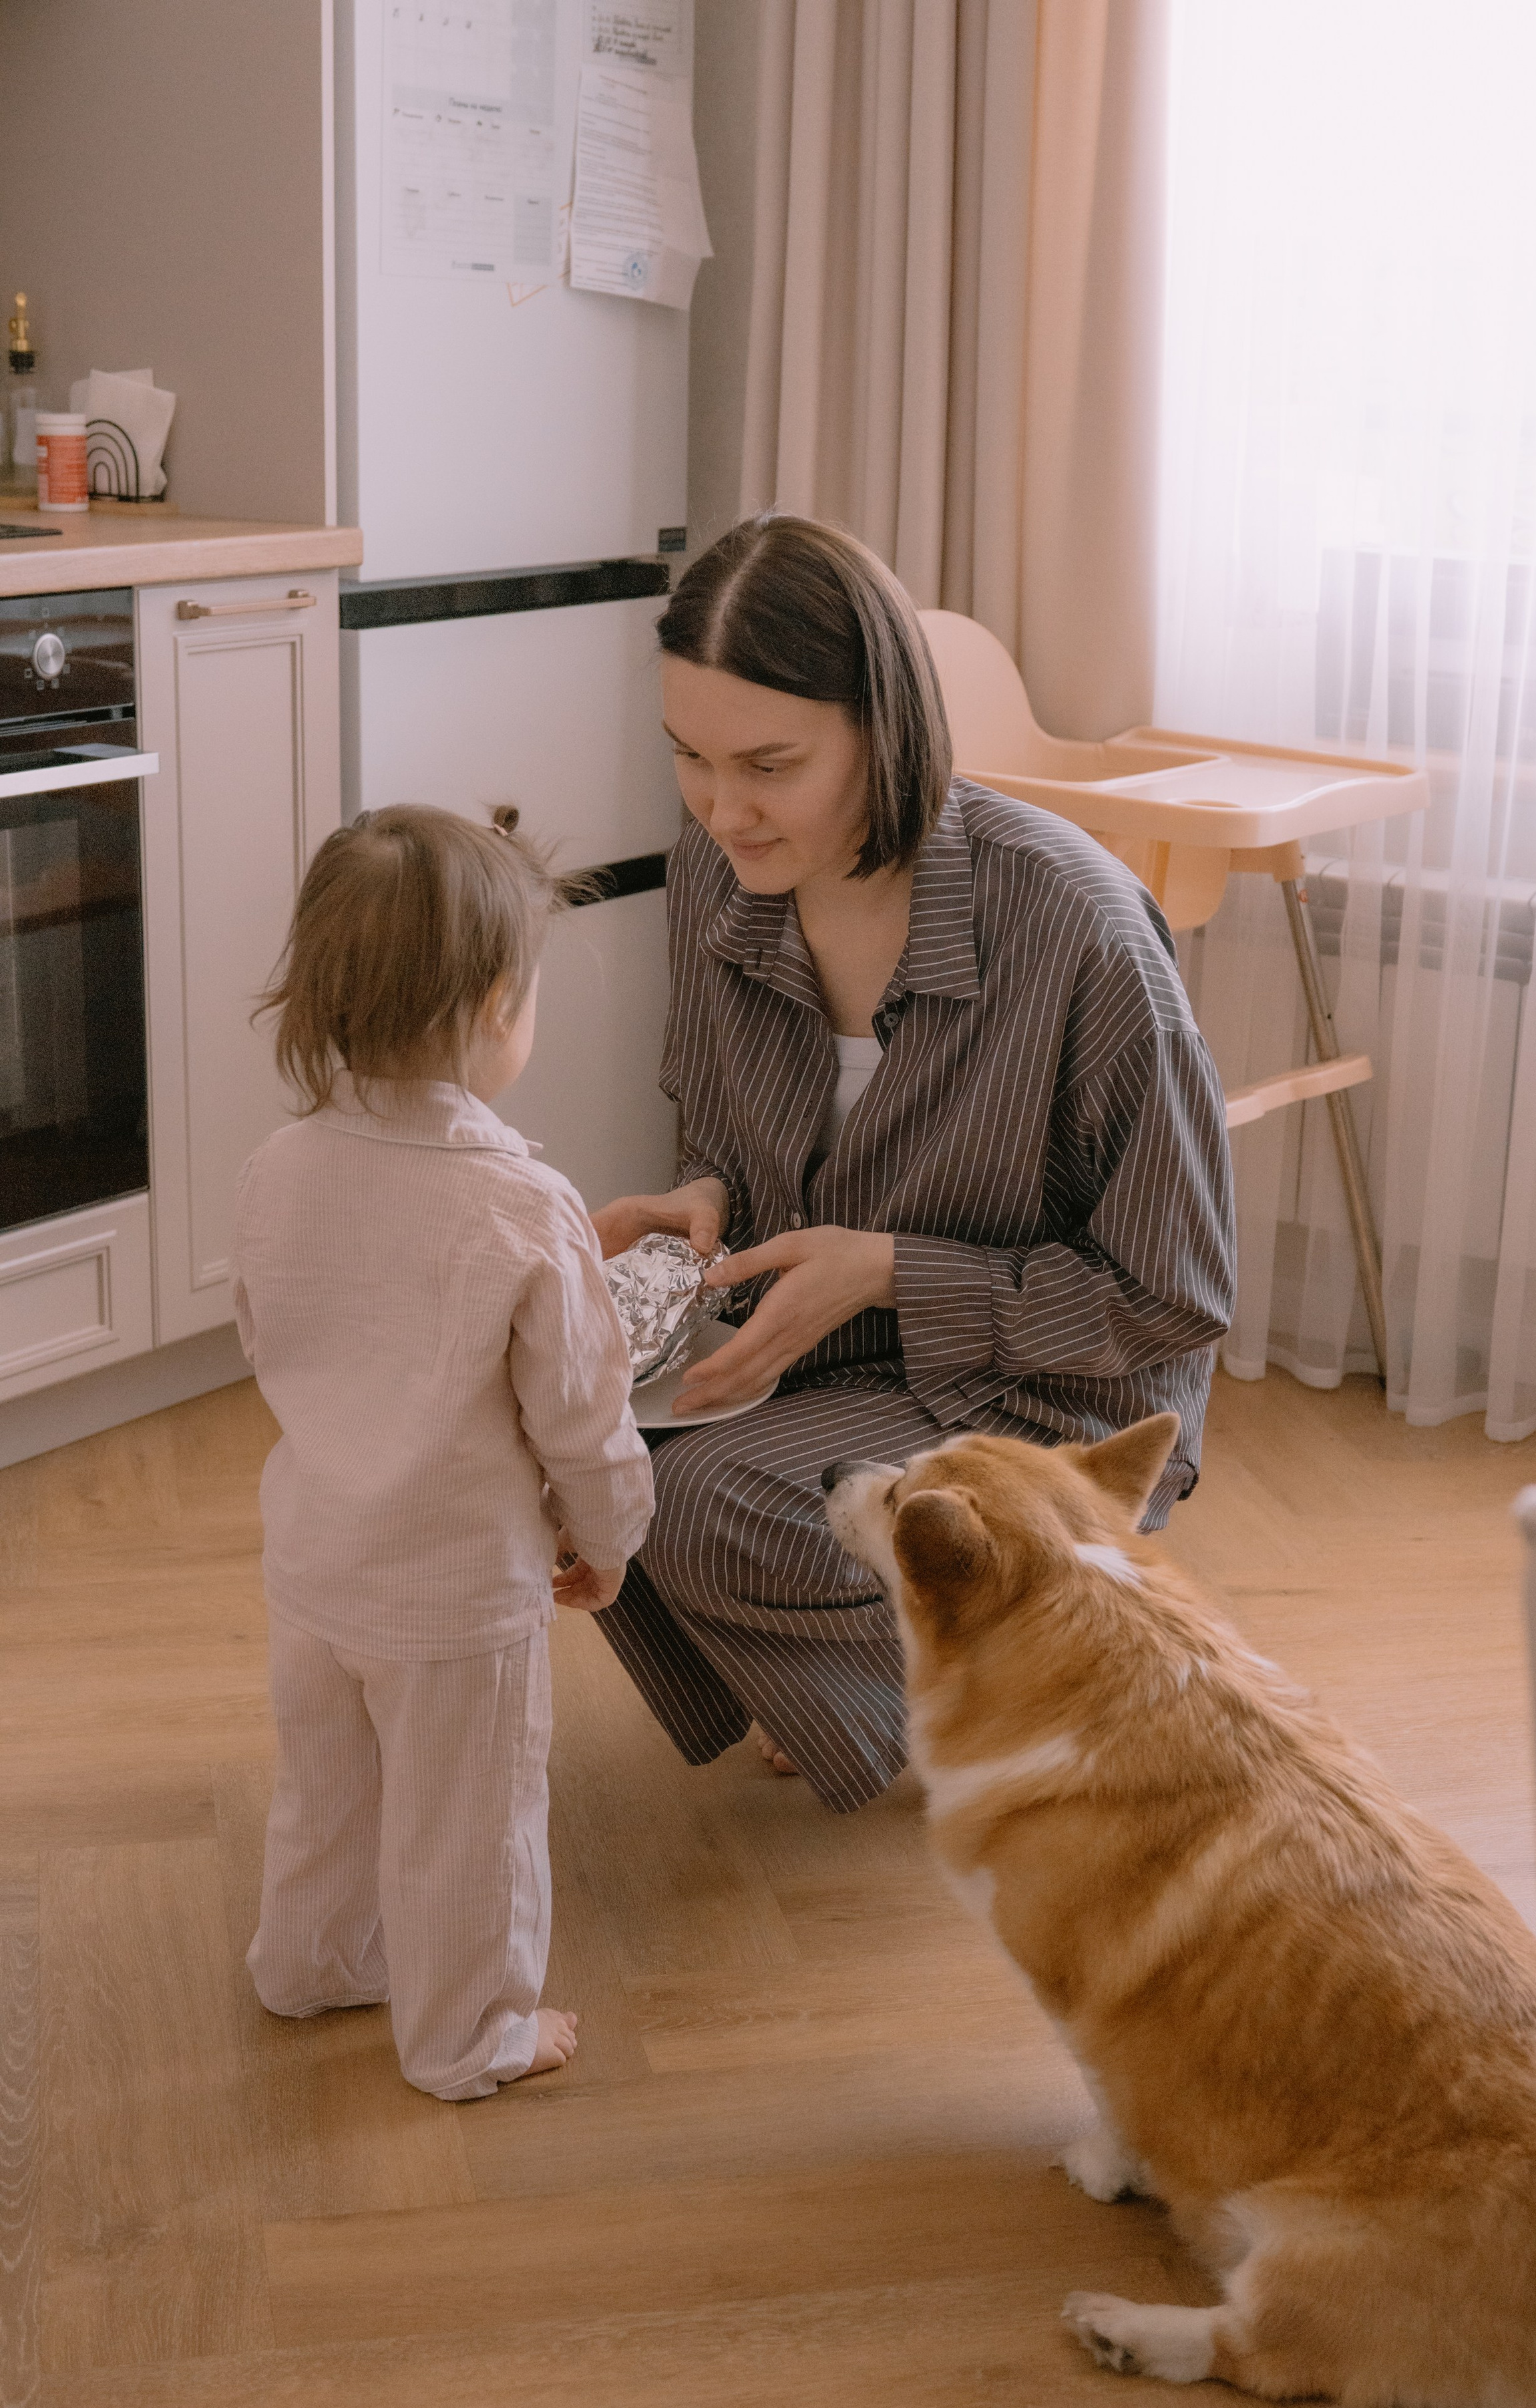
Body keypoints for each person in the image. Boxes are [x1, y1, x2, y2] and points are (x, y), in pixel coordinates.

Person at [592, 516, 1236, 1814]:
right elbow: (731, 1125)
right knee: (566, 1444)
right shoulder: (716, 875)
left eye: (770, 765)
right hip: (831, 1359)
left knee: (699, 1507)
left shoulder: (1074, 927)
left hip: (1052, 1388)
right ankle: (855, 1663)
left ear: (883, 729)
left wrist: (888, 1272)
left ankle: (1009, 1674)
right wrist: (705, 1197)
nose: (724, 810)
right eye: (690, 760)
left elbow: (1167, 1300)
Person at [233, 806, 652, 2101]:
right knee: (466, 1824)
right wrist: (611, 1536)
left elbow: (272, 1333)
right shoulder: (522, 1202)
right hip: (458, 1592)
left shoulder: (281, 1163)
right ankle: (470, 2035)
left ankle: (308, 1962)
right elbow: (581, 1416)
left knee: (330, 1785)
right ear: (490, 1008)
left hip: (317, 1560)